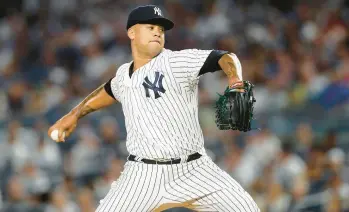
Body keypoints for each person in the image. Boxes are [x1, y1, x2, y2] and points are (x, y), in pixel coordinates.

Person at [48, 5, 260, 212]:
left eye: (160, 30)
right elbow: (108, 91)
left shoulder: (175, 62)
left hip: (194, 169)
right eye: (150, 27)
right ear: (132, 32)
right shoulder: (123, 74)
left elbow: (224, 57)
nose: (157, 33)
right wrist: (74, 115)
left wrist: (235, 80)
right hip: (142, 174)